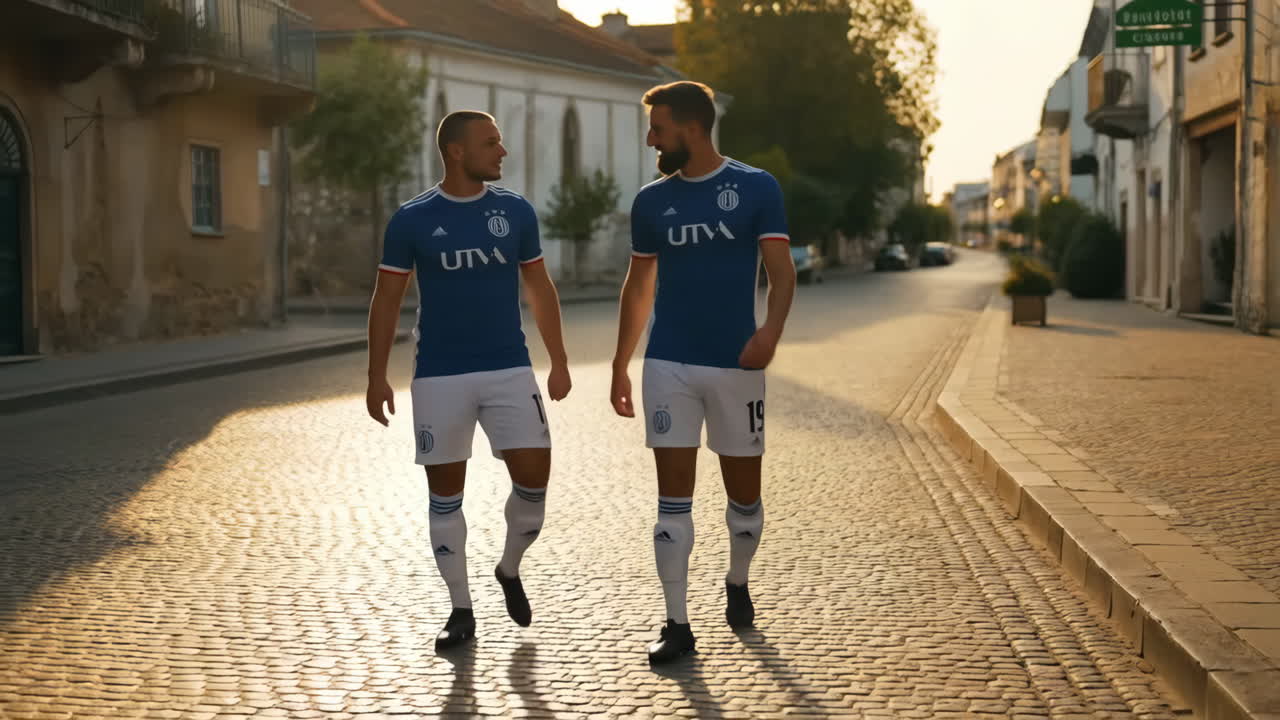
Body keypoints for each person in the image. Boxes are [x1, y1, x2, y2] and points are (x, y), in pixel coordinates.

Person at [366, 110, 571, 651]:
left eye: (500, 141)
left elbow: (540, 288)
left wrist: (560, 358)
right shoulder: (412, 219)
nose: (501, 151)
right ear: (456, 152)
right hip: (439, 376)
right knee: (445, 496)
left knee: (534, 483)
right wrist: (375, 376)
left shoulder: (516, 211)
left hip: (509, 366)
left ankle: (509, 566)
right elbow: (386, 299)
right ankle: (461, 610)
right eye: (490, 143)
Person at [610, 82, 797, 664]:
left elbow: (782, 272)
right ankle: (676, 623)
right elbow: (639, 286)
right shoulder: (650, 202)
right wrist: (621, 362)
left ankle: (737, 580)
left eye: (658, 128)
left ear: (691, 128)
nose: (651, 139)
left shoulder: (755, 188)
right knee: (673, 501)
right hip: (669, 364)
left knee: (745, 502)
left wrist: (769, 334)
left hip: (736, 365)